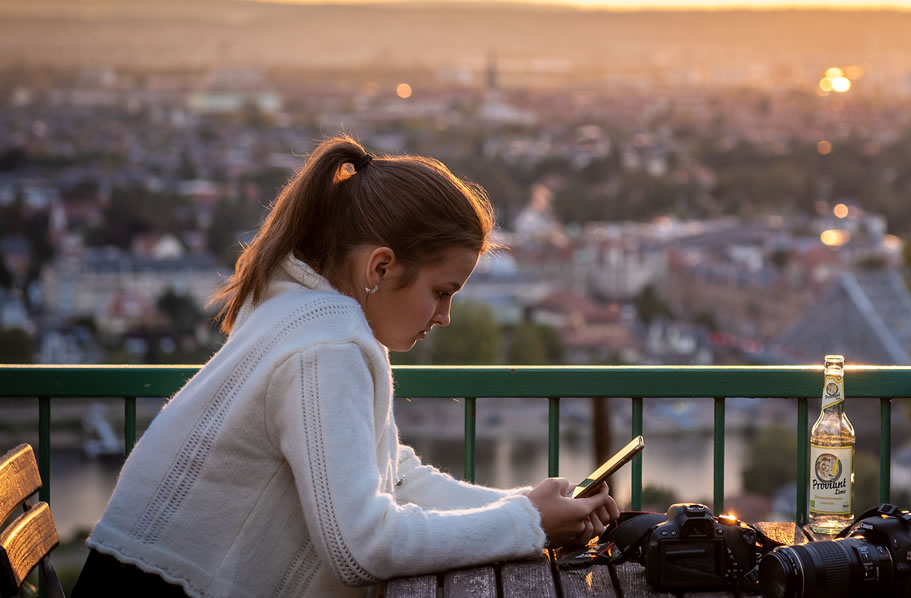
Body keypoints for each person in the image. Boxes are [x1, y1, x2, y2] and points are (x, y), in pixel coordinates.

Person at [73, 136, 619, 598]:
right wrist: (525, 524)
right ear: (380, 266)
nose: (446, 316)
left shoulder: (304, 309)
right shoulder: (328, 344)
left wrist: (524, 507)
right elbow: (361, 548)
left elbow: (395, 478)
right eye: (441, 291)